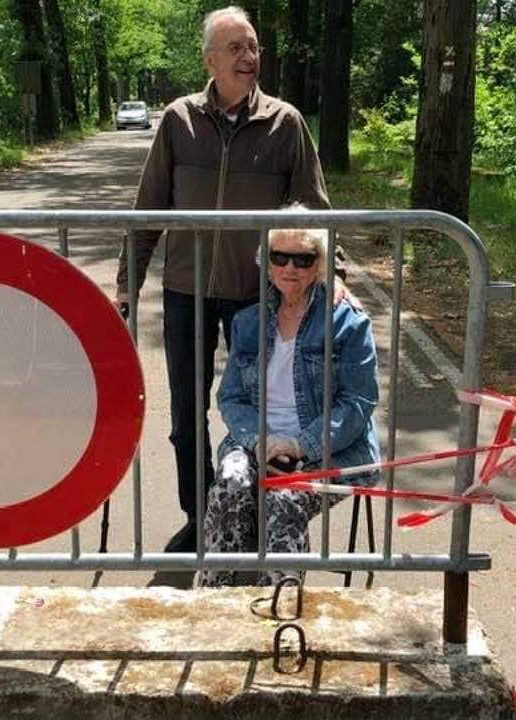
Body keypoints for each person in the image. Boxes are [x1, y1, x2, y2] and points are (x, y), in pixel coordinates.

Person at [115, 5, 342, 553]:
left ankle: (259, 510)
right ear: (210, 58)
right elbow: (149, 211)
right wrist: (128, 285)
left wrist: (331, 278)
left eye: (254, 47)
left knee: (266, 409)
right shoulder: (178, 120)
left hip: (255, 298)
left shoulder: (285, 122)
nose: (249, 57)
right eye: (236, 47)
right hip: (186, 293)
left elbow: (315, 209)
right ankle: (201, 515)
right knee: (186, 416)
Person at [199, 225, 379, 587]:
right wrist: (259, 441)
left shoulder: (349, 323)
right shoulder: (248, 322)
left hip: (328, 446)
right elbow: (231, 397)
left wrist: (300, 446)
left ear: (319, 264)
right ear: (266, 264)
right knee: (228, 485)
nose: (290, 267)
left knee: (285, 498)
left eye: (303, 258)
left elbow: (358, 404)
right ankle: (214, 597)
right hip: (256, 439)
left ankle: (281, 607)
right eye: (279, 257)